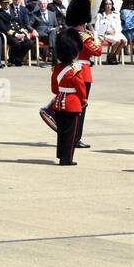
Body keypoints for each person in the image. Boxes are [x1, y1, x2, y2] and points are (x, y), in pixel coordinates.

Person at [50, 30, 88, 167]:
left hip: (59, 103)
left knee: (61, 132)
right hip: (72, 103)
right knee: (70, 134)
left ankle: (61, 155)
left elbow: (54, 89)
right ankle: (67, 159)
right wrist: (84, 101)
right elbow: (81, 89)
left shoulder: (57, 68)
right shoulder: (76, 69)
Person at [66, 0, 99, 151]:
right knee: (81, 106)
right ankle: (76, 137)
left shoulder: (66, 34)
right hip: (83, 72)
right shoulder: (85, 37)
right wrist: (95, 35)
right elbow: (97, 51)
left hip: (68, 71)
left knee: (70, 106)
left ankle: (69, 134)